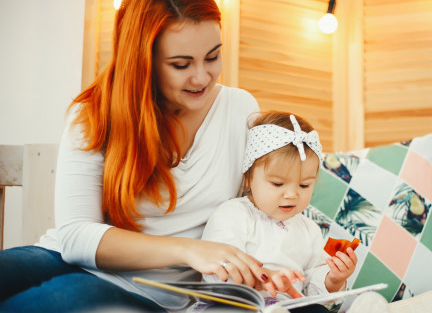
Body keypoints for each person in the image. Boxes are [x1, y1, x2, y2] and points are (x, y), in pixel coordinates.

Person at [0, 1, 295, 312]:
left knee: (73, 295)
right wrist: (190, 250)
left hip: (155, 292)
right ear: (144, 60)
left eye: (213, 57)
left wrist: (271, 271)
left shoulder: (240, 110)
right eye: (181, 65)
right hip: (65, 259)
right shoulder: (96, 113)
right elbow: (76, 237)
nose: (201, 77)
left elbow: (262, 208)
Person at [200, 111, 358, 312]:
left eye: (304, 185)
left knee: (316, 311)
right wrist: (261, 276)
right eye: (277, 183)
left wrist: (333, 279)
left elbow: (311, 292)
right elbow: (217, 270)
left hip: (288, 306)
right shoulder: (233, 215)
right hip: (238, 305)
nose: (292, 194)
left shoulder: (309, 230)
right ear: (248, 178)